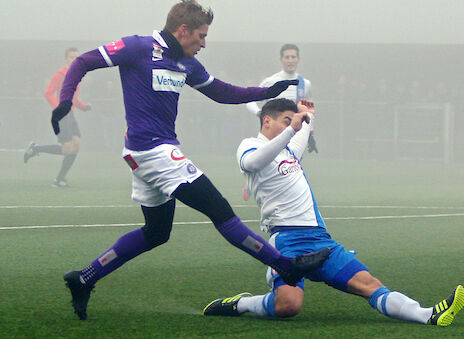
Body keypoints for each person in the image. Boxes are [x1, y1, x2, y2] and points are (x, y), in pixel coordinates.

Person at [53, 0, 329, 320]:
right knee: (219, 210)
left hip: (145, 155)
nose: (204, 42)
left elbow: (223, 92)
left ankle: (84, 277)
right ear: (182, 30)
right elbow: (83, 62)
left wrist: (267, 91)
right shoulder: (138, 47)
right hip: (154, 152)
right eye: (201, 35)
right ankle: (286, 267)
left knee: (156, 233)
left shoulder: (187, 63)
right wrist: (65, 101)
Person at [203, 98, 464, 326]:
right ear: (266, 121)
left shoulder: (289, 151)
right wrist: (291, 129)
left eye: (290, 123)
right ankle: (244, 304)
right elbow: (252, 163)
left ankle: (428, 314)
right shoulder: (249, 145)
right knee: (288, 307)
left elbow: (300, 136)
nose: (289, 127)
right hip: (286, 240)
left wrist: (308, 118)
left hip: (320, 239)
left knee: (370, 285)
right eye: (285, 121)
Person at [24, 47, 92, 187]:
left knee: (76, 146)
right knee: (67, 148)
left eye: (76, 57)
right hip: (62, 115)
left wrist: (83, 107)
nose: (74, 60)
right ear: (66, 59)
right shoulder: (60, 75)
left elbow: (73, 98)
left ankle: (59, 179)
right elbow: (48, 93)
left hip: (70, 114)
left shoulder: (77, 74)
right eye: (71, 57)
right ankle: (36, 149)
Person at [245, 44, 318, 154]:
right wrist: (260, 113)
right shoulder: (270, 81)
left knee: (291, 166)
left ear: (298, 59)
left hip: (294, 135)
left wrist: (310, 134)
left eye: (293, 57)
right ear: (281, 59)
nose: (290, 60)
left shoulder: (305, 84)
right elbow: (250, 101)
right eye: (287, 57)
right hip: (272, 134)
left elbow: (309, 110)